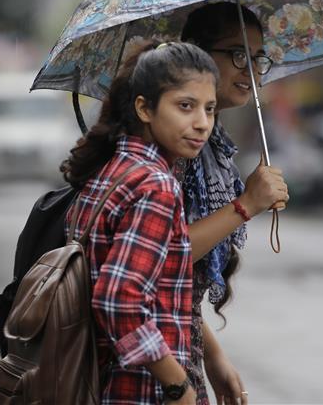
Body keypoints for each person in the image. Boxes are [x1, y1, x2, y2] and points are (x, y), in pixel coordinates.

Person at [62, 41, 219, 404]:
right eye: (185, 106)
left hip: (97, 382)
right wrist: (177, 385)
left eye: (209, 109)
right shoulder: (156, 185)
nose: (202, 123)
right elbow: (119, 300)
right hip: (137, 391)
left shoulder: (112, 171)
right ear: (144, 109)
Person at [179, 2, 290, 404]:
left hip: (181, 349)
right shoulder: (173, 146)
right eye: (238, 55)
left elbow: (181, 289)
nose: (251, 70)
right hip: (152, 365)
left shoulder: (211, 145)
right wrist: (245, 204)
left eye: (258, 57)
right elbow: (163, 259)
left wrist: (214, 357)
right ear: (198, 54)